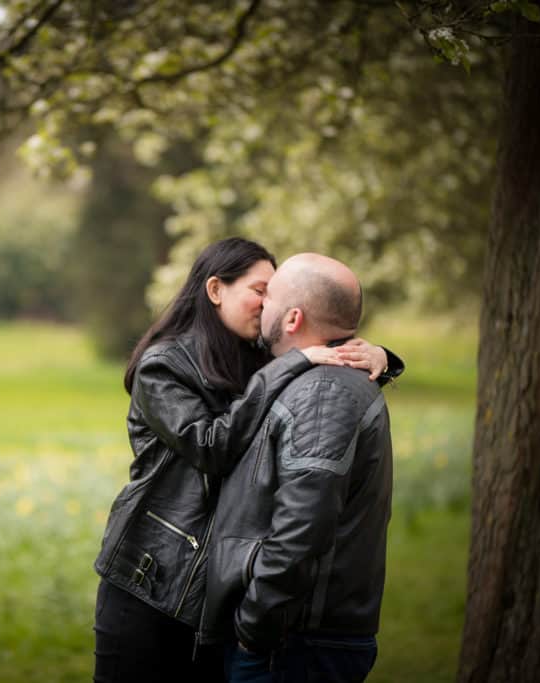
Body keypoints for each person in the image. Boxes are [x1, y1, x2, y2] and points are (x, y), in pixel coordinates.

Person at [93, 239, 403, 682]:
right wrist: (293, 362)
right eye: (261, 289)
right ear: (216, 289)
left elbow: (313, 332)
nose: (269, 301)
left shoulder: (263, 357)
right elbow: (210, 445)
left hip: (215, 597)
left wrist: (380, 357)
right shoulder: (163, 366)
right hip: (151, 583)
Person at [201, 253, 395, 683]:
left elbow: (302, 530)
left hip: (294, 642)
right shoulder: (313, 379)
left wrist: (254, 629)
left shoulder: (323, 392)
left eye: (267, 297)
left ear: (291, 319)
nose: (260, 305)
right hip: (295, 636)